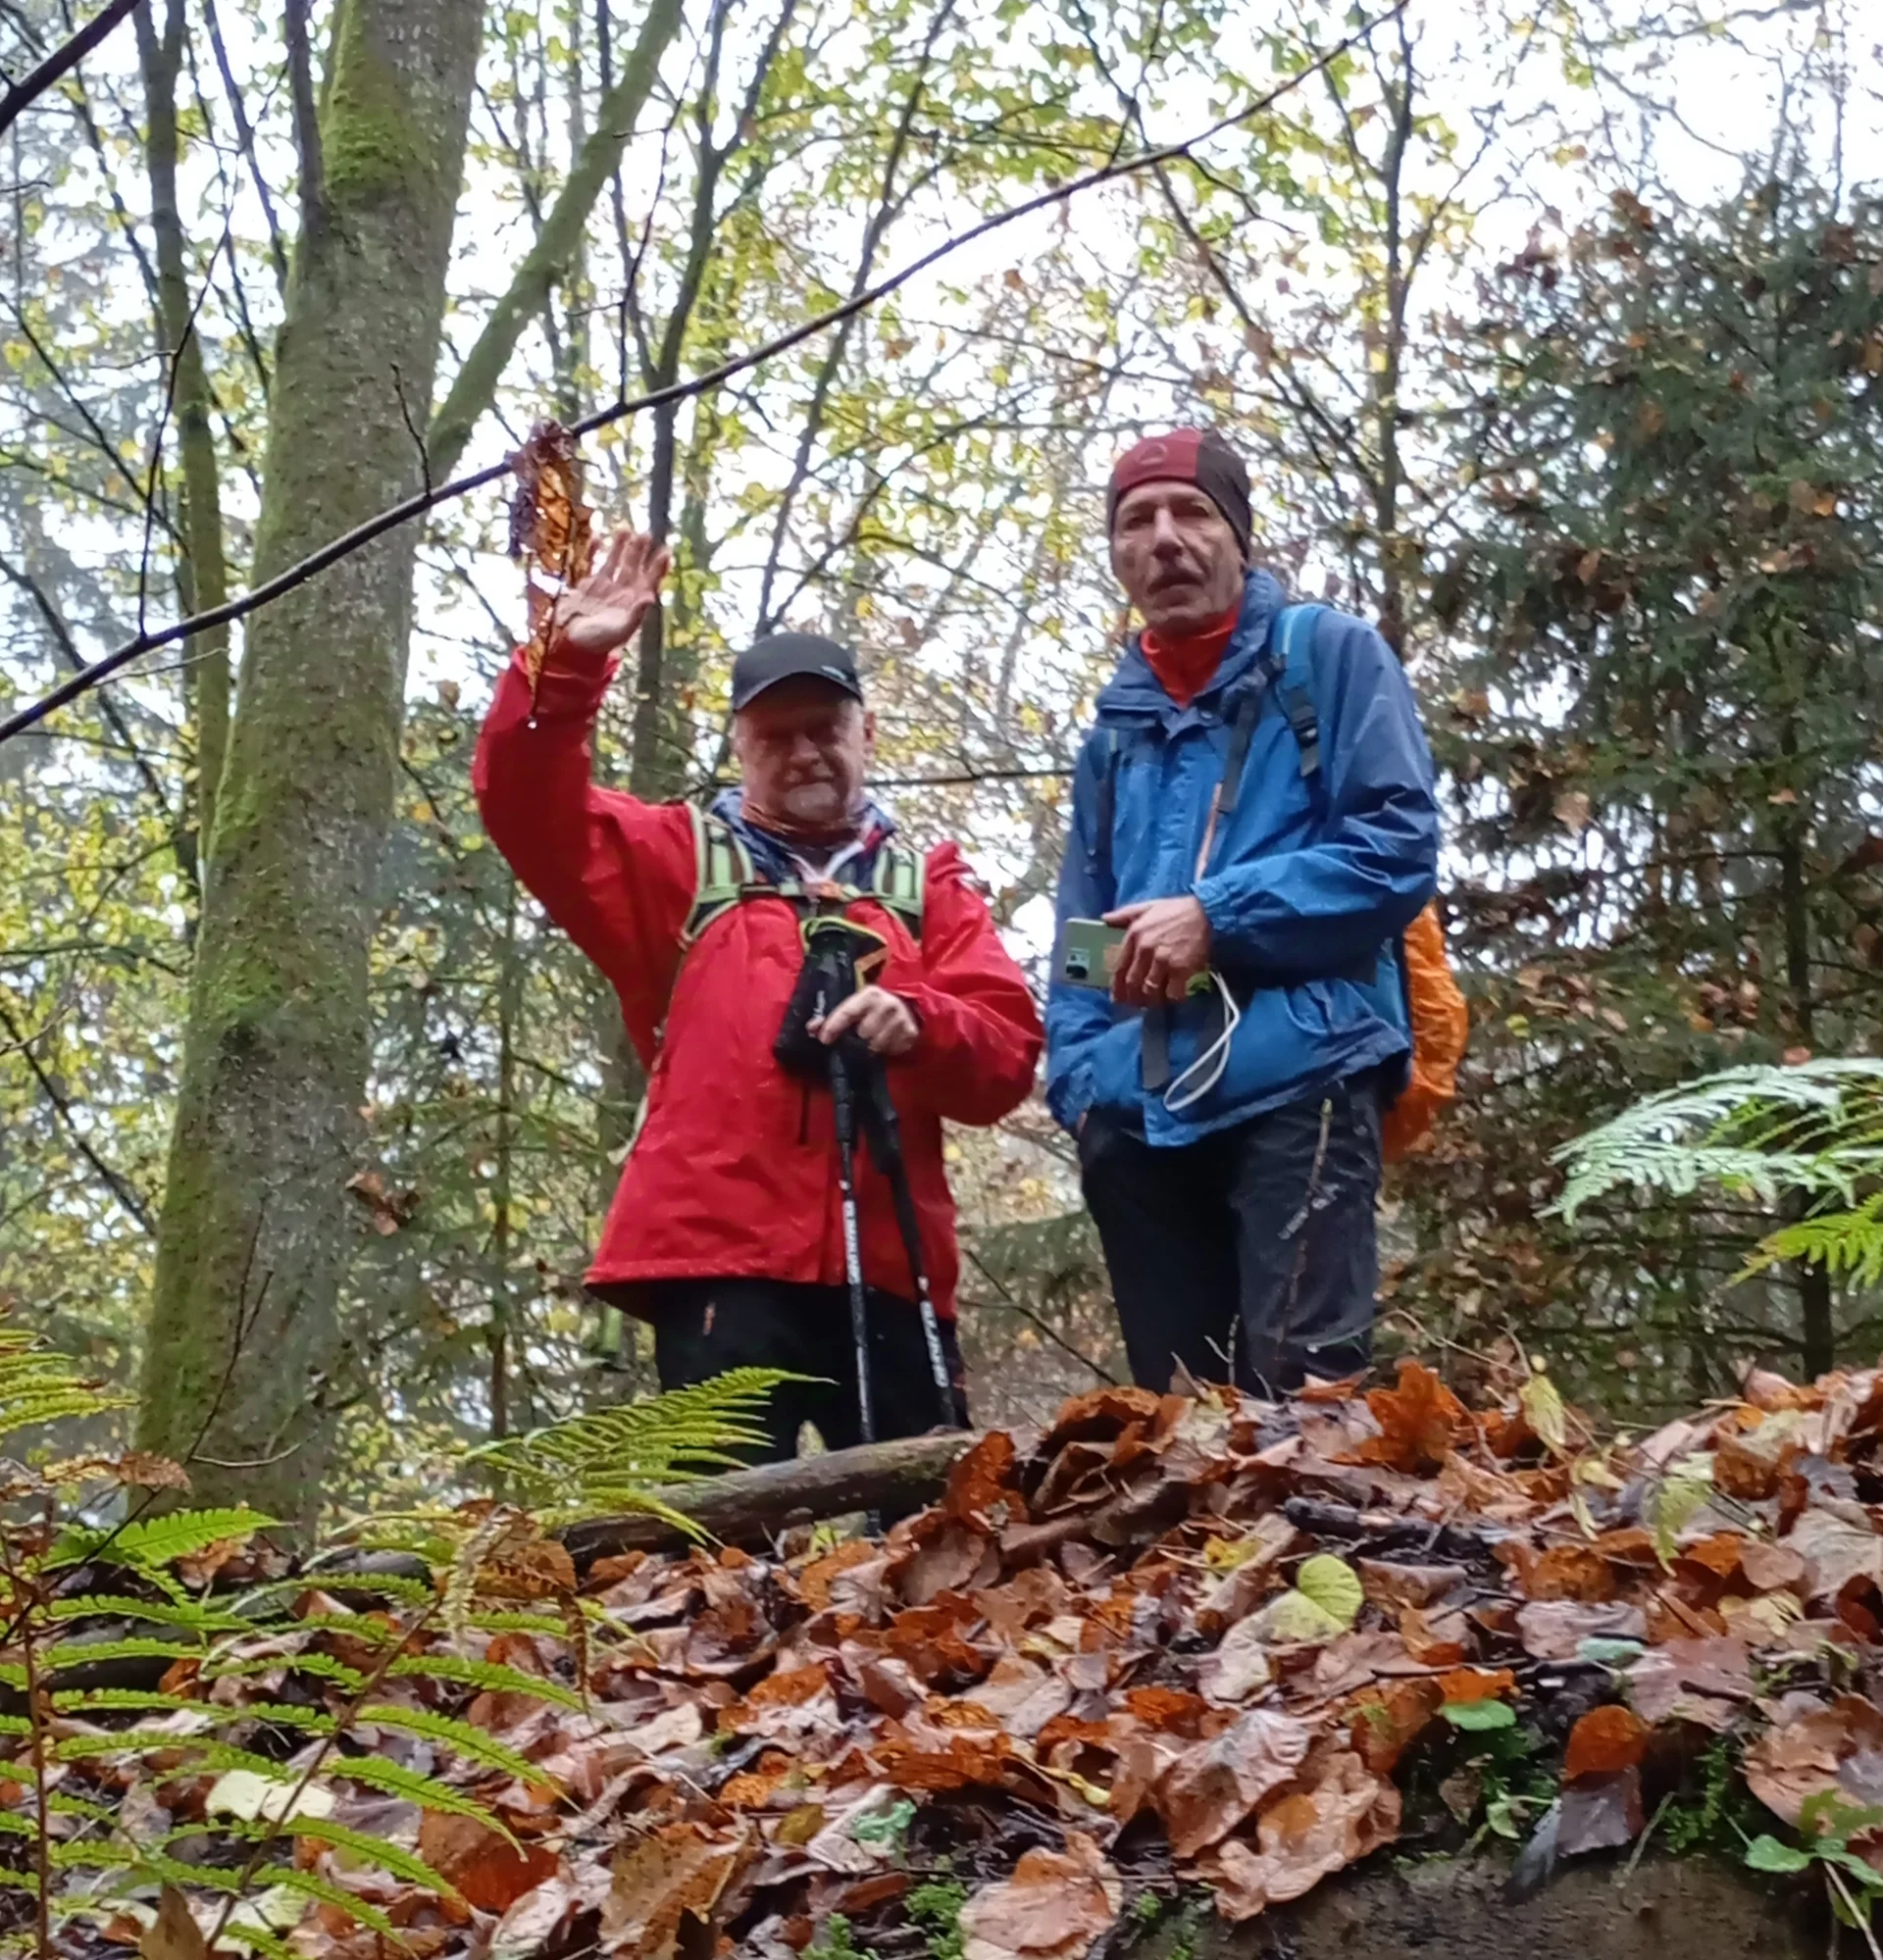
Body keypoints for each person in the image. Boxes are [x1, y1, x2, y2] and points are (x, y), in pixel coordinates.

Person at [475, 527, 1042, 1459]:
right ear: (740, 746)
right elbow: (525, 803)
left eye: (826, 729)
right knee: (718, 1557)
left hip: (892, 1269)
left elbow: (1005, 1060)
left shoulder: (927, 890)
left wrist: (920, 1020)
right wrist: (566, 666)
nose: (806, 753)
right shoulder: (675, 864)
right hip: (718, 1269)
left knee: (936, 1547)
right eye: (777, 737)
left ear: (867, 733)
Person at [1047, 429, 1440, 1394]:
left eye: (1193, 512)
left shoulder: (1328, 658)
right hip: (1140, 1114)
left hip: (1302, 1081)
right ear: (1116, 554)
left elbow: (1397, 848)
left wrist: (1215, 917)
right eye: (1138, 520)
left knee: (1303, 1405)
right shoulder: (1114, 739)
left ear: (1240, 537)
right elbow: (1080, 944)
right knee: (1177, 1425)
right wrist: (1084, 1091)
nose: (1166, 538)